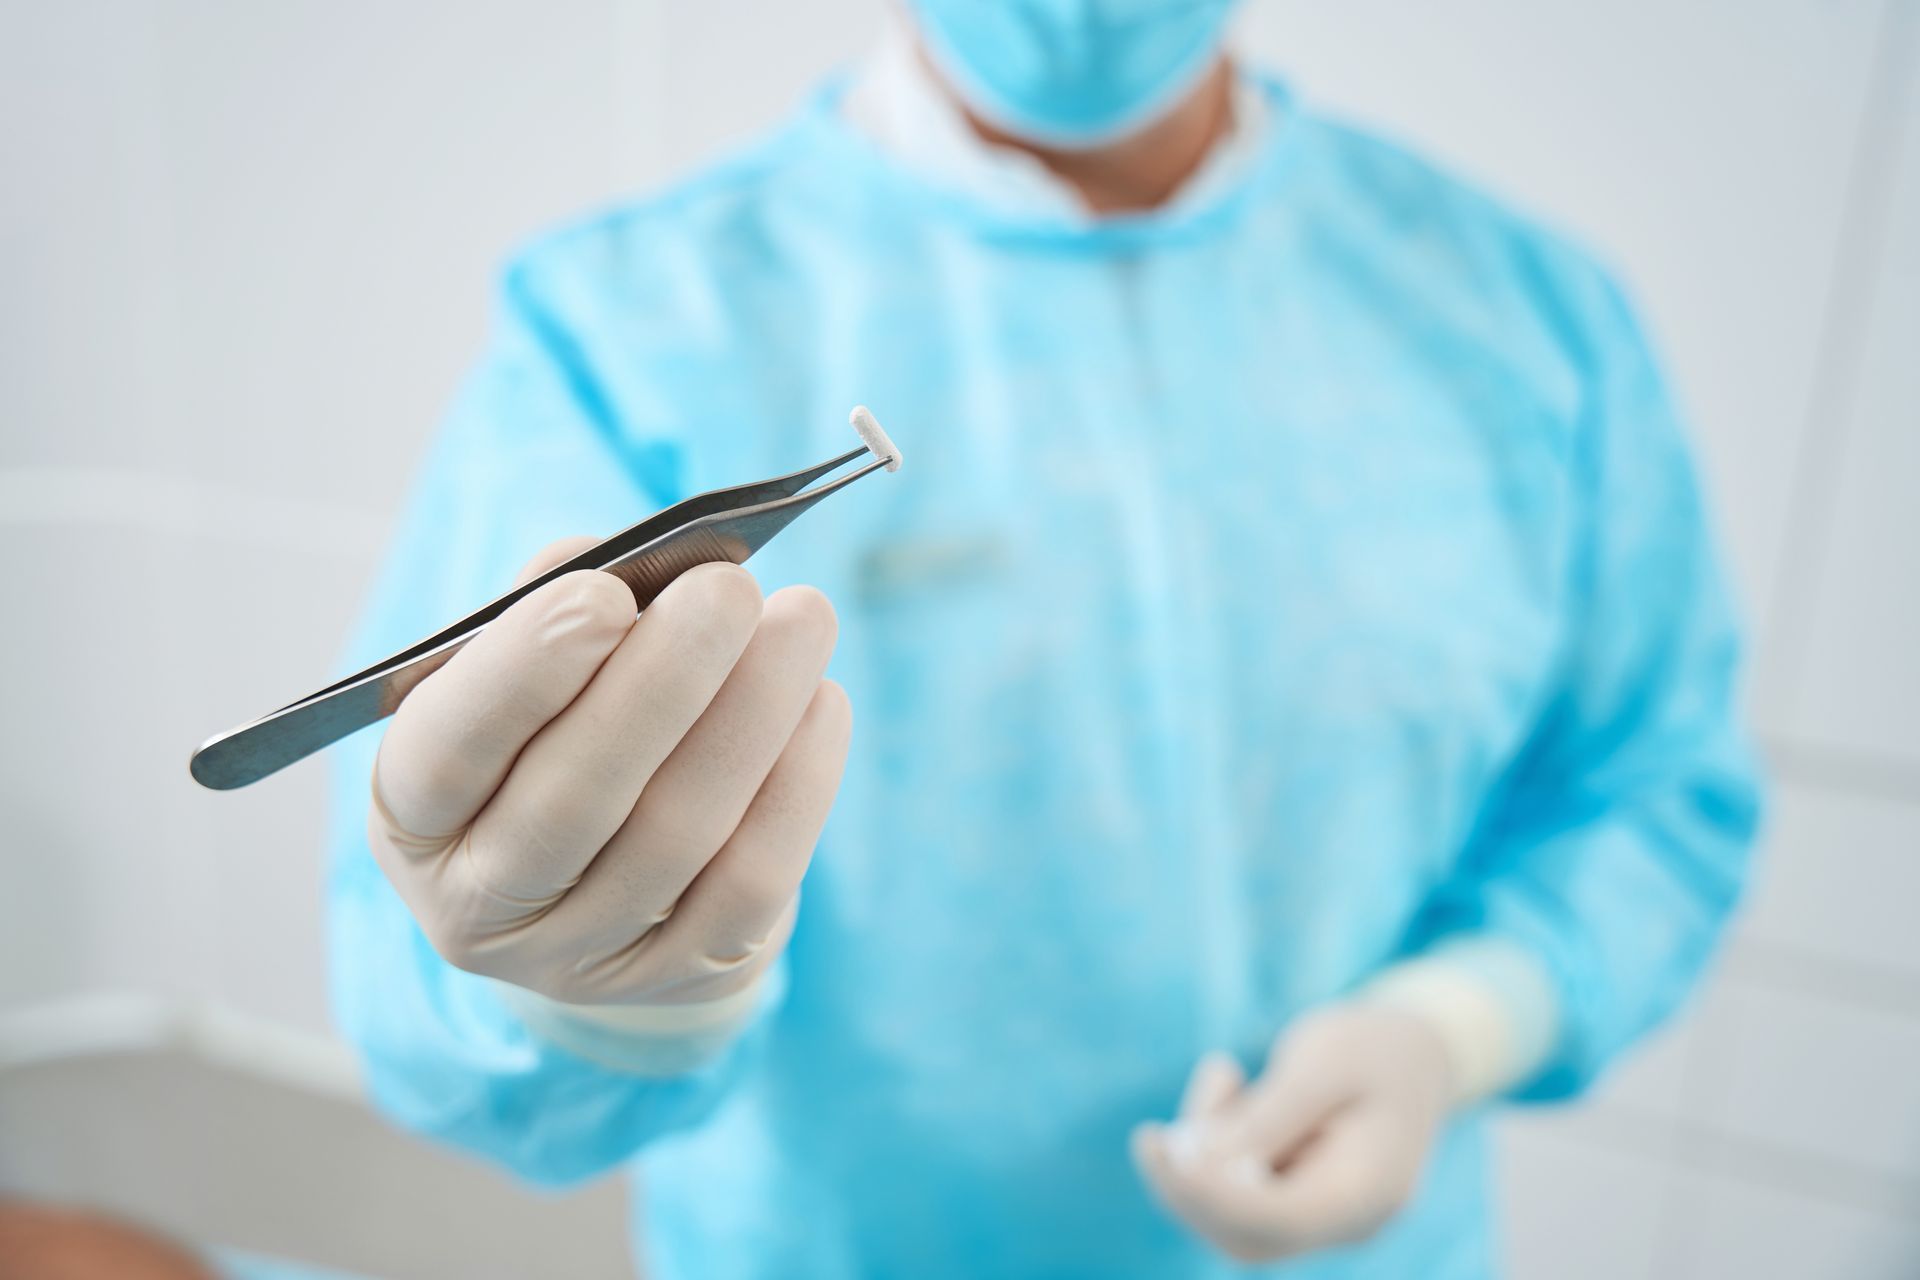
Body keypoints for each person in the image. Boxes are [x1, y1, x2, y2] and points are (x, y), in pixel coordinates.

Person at [326, 2, 1762, 1275]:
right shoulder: (624, 330)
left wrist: (1451, 1028)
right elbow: (432, 997)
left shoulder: (1527, 317)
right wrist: (605, 1000)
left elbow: (1653, 792)